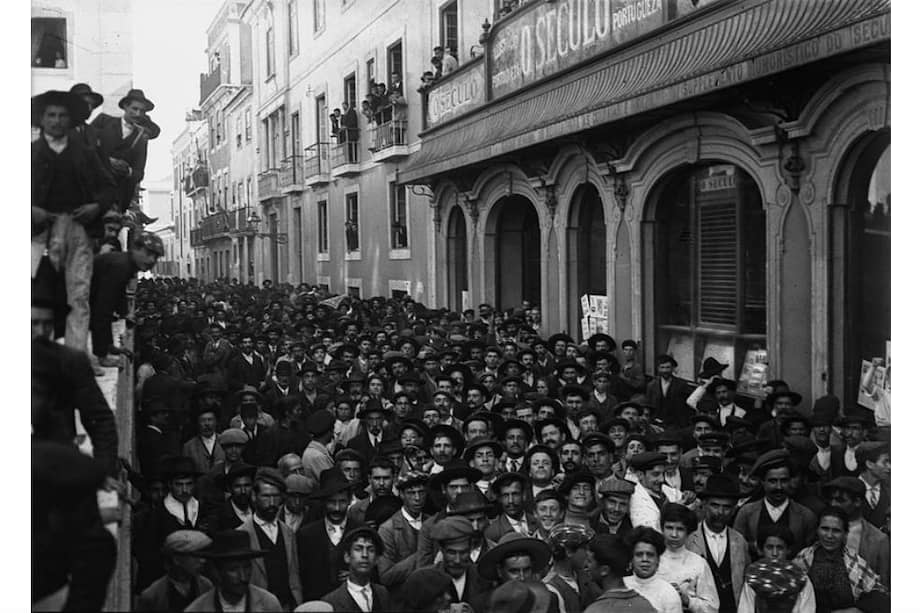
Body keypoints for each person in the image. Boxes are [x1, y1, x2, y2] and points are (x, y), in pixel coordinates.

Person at [32, 89, 116, 354]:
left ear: (71, 120)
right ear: (41, 119)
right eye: (51, 115)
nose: (56, 121)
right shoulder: (28, 153)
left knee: (78, 295)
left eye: (62, 115)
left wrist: (95, 206)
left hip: (78, 229)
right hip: (37, 233)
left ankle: (75, 359)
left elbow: (109, 187)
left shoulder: (85, 153)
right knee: (33, 293)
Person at [792, 507, 889, 612]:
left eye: (836, 531)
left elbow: (881, 595)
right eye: (825, 529)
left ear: (845, 534)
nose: (829, 535)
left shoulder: (855, 563)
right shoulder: (803, 559)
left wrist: (857, 610)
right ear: (817, 530)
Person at [732, 450, 817, 556]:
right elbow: (735, 547)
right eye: (773, 481)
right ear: (763, 482)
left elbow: (810, 553)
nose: (779, 487)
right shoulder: (746, 512)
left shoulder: (806, 516)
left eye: (784, 481)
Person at [685, 475, 750, 611]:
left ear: (733, 509)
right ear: (704, 504)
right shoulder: (689, 538)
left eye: (726, 507)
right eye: (715, 505)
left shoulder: (740, 541)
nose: (720, 512)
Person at [297, 466, 361, 601]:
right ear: (324, 502)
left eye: (342, 502)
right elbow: (301, 577)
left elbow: (374, 572)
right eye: (332, 502)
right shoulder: (307, 535)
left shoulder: (360, 531)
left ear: (349, 501)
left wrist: (357, 574)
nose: (337, 508)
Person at [185, 530, 282, 612]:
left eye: (247, 567)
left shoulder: (269, 604)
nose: (243, 577)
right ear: (217, 571)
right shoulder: (197, 609)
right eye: (233, 569)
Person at [91, 88, 153, 212]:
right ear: (125, 106)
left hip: (118, 200)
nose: (138, 114)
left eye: (142, 111)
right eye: (134, 109)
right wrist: (108, 161)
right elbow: (85, 149)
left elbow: (139, 173)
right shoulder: (103, 122)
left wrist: (128, 171)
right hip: (93, 193)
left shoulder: (141, 139)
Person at [821, 477, 890, 588]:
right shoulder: (820, 529)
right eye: (831, 499)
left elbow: (883, 583)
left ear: (857, 502)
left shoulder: (879, 540)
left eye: (840, 500)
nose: (833, 504)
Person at [656, 503, 720, 613]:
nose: (674, 534)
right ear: (662, 528)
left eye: (680, 529)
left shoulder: (698, 563)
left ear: (688, 532)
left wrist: (687, 600)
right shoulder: (651, 559)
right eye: (669, 528)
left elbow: (712, 608)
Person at [135, 530, 213, 612]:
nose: (202, 561)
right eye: (195, 556)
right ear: (176, 559)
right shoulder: (152, 596)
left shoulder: (206, 586)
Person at [377, 471, 429, 590]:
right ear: (401, 494)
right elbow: (385, 576)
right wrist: (424, 552)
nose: (417, 498)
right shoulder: (388, 529)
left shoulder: (432, 523)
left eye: (421, 492)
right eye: (411, 493)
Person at [320, 526, 392, 611]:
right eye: (358, 549)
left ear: (376, 559)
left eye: (371, 550)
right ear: (347, 556)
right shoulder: (330, 602)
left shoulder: (383, 593)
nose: (365, 555)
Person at [585, 534, 657, 613]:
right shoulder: (646, 606)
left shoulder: (596, 610)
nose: (585, 565)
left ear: (604, 570)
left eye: (589, 561)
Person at [622, 527, 683, 613]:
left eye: (650, 555)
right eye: (639, 554)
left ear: (658, 560)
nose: (645, 559)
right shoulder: (621, 586)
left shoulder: (668, 592)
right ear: (631, 559)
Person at [543, 523, 601, 613]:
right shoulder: (550, 590)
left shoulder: (584, 577)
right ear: (569, 551)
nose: (588, 554)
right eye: (585, 549)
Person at [485, 472, 539, 540]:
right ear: (500, 498)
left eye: (515, 494)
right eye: (505, 496)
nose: (511, 501)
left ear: (524, 495)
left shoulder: (538, 522)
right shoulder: (493, 532)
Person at [646, 355, 692, 428]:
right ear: (658, 369)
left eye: (668, 367)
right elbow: (648, 405)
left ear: (673, 368)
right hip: (657, 424)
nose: (665, 371)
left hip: (677, 424)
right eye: (662, 367)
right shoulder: (651, 386)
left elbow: (688, 405)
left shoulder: (682, 385)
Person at [628, 452, 670, 531]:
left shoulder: (667, 490)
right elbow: (649, 533)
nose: (662, 479)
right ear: (640, 475)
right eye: (655, 474)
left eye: (663, 474)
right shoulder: (634, 500)